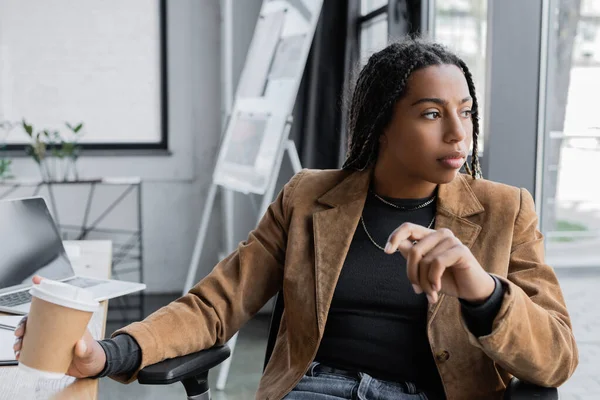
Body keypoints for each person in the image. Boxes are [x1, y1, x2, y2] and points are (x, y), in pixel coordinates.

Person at [14, 39, 578, 399]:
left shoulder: (506, 210)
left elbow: (556, 357)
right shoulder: (309, 197)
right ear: (382, 123)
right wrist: (110, 352)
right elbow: (216, 304)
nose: (458, 133)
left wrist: (483, 291)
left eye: (466, 112)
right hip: (317, 391)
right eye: (432, 114)